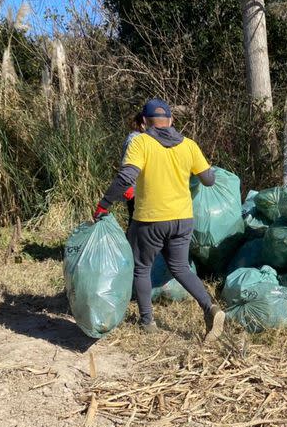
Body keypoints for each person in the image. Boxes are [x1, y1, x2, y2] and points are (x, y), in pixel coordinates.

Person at [93, 98, 226, 340]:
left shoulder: (141, 142)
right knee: (180, 267)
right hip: (183, 219)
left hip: (150, 219)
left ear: (144, 122)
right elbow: (209, 180)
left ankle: (148, 322)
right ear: (171, 121)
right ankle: (210, 307)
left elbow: (125, 179)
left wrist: (104, 205)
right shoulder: (189, 145)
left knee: (142, 267)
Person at [122, 112, 145, 226]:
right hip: (134, 188)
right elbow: (127, 165)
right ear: (142, 125)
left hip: (139, 188)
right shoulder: (135, 139)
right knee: (136, 221)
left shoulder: (140, 138)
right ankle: (131, 243)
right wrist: (129, 187)